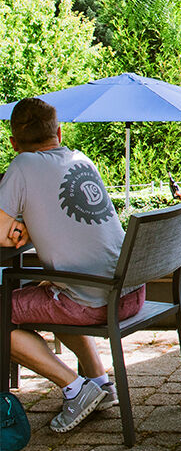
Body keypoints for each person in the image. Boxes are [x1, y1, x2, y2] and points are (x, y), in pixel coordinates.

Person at [0, 98, 142, 433]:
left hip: (94, 301)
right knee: (51, 289)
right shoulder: (82, 160)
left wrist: (19, 227)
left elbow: (3, 235)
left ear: (13, 143)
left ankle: (76, 389)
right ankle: (99, 382)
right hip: (129, 290)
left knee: (5, 308)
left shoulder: (22, 165)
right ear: (59, 133)